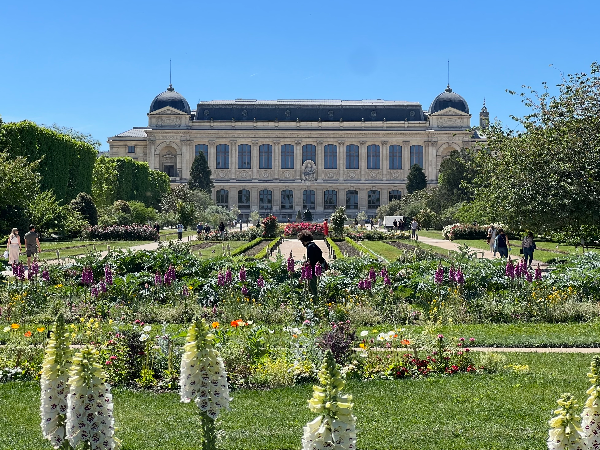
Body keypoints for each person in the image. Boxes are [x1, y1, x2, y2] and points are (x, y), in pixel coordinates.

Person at [298, 230, 327, 298]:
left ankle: (315, 302)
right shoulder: (314, 245)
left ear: (303, 240)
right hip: (317, 270)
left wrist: (303, 275)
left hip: (313, 272)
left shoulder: (310, 247)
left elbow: (311, 261)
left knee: (313, 290)